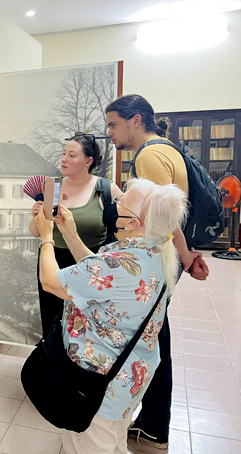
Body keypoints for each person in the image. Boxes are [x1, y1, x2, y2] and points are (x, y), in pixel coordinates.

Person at [35, 178, 188, 454]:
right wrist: (69, 231)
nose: (117, 203)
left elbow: (50, 281)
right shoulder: (154, 253)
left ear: (133, 223)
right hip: (126, 380)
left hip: (96, 387)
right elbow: (97, 278)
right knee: (115, 445)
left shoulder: (118, 265)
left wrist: (47, 237)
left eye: (123, 200)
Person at [106, 94, 209, 448]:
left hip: (155, 257)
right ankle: (152, 420)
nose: (110, 133)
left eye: (114, 124)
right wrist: (188, 255)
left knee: (151, 340)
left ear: (136, 120)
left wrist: (183, 255)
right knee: (154, 334)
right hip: (167, 255)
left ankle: (154, 424)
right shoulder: (168, 148)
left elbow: (163, 216)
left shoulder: (149, 156)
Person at [29, 134, 122, 337]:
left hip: (89, 262)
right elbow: (36, 232)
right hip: (52, 261)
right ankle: (51, 364)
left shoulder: (106, 190)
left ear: (88, 161)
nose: (63, 159)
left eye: (71, 155)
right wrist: (36, 216)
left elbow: (125, 229)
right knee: (53, 321)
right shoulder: (52, 187)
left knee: (88, 325)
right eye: (63, 154)